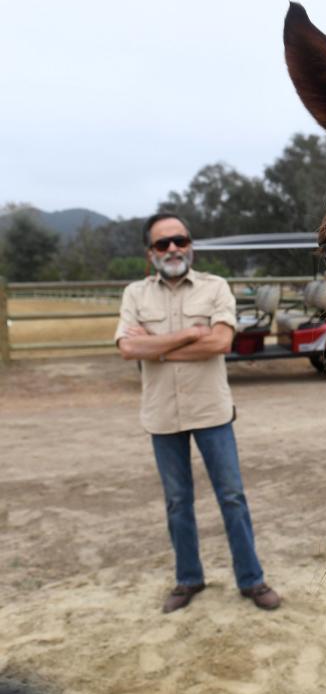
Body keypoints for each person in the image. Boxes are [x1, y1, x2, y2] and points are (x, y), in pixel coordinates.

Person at [115, 212, 280, 613]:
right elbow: (127, 348)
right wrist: (190, 334)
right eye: (162, 244)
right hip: (162, 415)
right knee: (177, 501)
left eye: (180, 240)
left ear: (191, 244)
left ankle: (251, 580)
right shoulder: (135, 294)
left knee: (232, 497)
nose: (173, 248)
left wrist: (158, 346)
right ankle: (188, 578)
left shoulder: (216, 287)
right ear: (150, 252)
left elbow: (220, 342)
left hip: (211, 412)